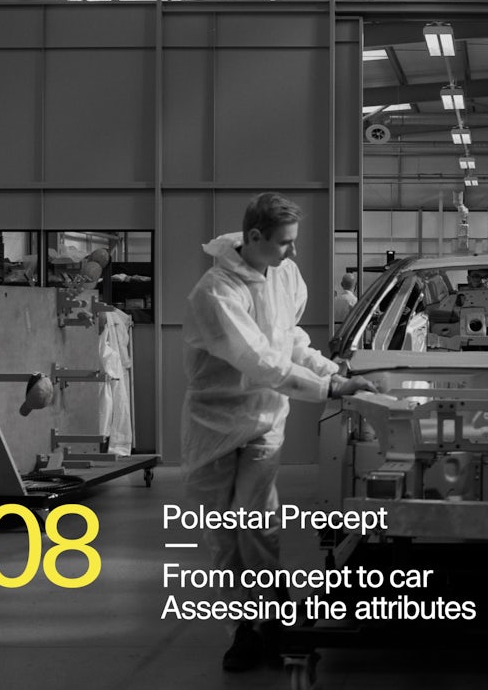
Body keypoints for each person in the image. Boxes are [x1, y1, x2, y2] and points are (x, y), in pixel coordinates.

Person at [180, 192, 379, 673]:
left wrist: (332, 369)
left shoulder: (285, 274)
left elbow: (290, 341)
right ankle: (242, 631)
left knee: (258, 524)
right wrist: (329, 386)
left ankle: (271, 617)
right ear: (253, 238)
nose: (292, 252)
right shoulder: (216, 291)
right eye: (284, 243)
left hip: (265, 418)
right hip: (215, 422)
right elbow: (260, 361)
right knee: (224, 536)